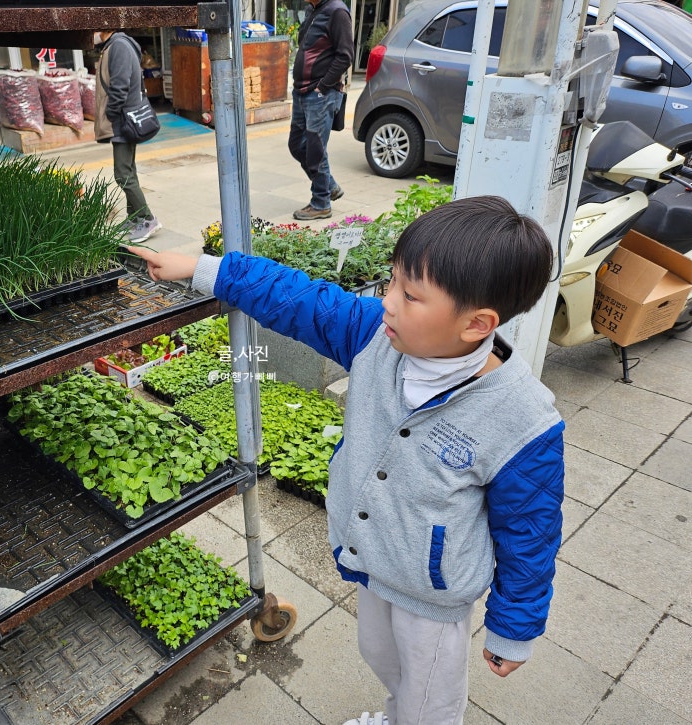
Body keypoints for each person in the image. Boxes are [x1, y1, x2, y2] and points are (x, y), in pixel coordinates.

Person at [128, 195, 565, 725]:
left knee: (431, 700)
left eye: (411, 294)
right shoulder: (375, 338)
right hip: (373, 561)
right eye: (392, 282)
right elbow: (300, 299)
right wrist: (204, 270)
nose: (388, 301)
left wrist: (513, 628)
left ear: (476, 325)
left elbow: (531, 530)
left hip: (432, 593)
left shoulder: (522, 420)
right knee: (382, 658)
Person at [94, 30, 162, 243]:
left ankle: (147, 219)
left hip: (122, 120)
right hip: (122, 119)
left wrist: (111, 113)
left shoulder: (119, 46)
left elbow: (120, 86)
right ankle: (134, 218)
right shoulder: (114, 45)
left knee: (122, 174)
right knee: (129, 171)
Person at [288, 0, 354, 221]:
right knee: (297, 145)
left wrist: (322, 87)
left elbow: (345, 55)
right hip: (301, 91)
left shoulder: (337, 12)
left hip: (320, 94)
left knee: (316, 150)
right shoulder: (313, 9)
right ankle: (329, 186)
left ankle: (321, 203)